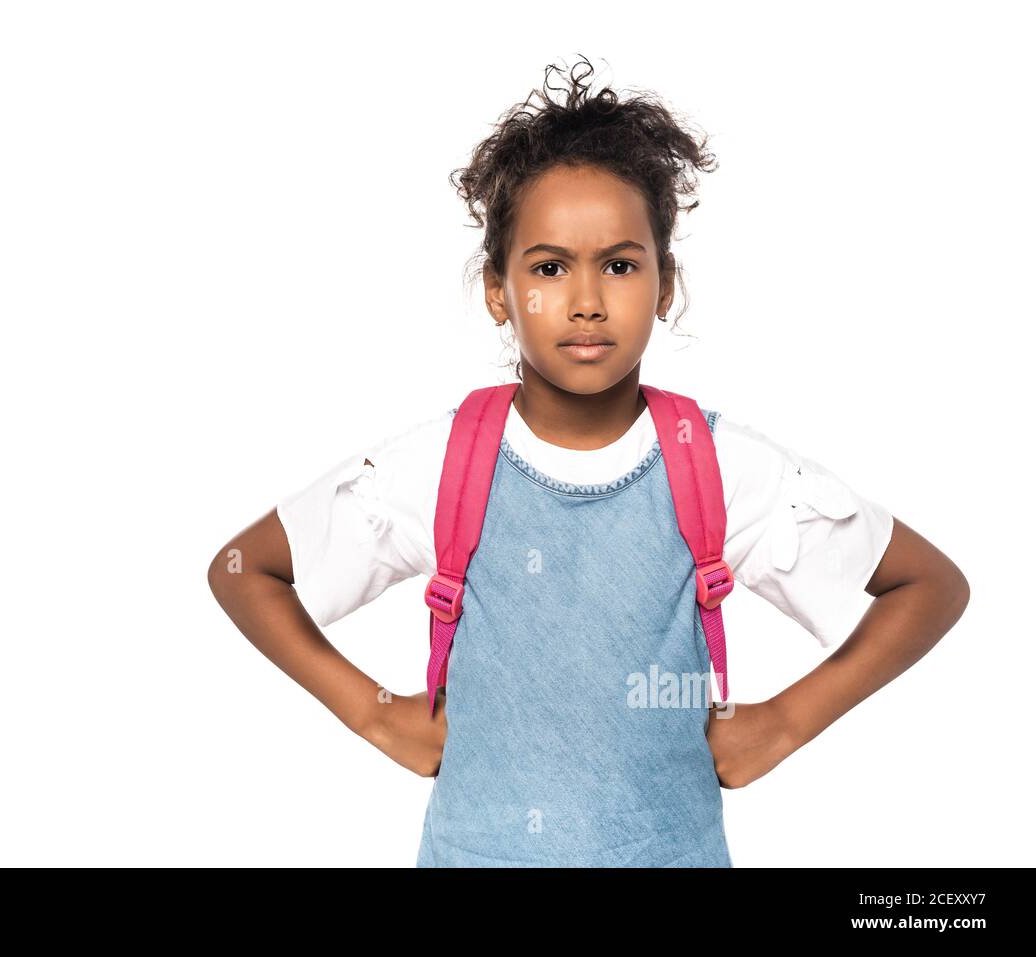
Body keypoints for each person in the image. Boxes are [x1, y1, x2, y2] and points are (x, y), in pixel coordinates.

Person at [207, 56, 970, 867]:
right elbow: (243, 568)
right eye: (547, 267)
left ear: (664, 283)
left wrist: (783, 722)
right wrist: (375, 712)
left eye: (619, 263)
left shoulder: (711, 464)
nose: (586, 299)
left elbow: (929, 585)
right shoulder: (443, 462)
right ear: (499, 291)